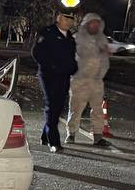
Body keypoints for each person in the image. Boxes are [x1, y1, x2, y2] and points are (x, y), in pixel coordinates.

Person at [31, 9, 78, 153]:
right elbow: (36, 53)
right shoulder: (47, 32)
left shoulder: (70, 37)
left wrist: (73, 68)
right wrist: (51, 67)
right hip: (48, 76)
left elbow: (71, 56)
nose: (69, 22)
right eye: (66, 18)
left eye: (71, 19)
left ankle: (45, 135)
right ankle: (54, 141)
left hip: (64, 76)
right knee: (51, 105)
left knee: (58, 108)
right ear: (58, 18)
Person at [66, 12, 111, 146]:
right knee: (76, 108)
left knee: (97, 109)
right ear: (86, 24)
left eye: (97, 23)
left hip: (96, 81)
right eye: (92, 23)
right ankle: (71, 134)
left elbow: (105, 61)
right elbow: (71, 58)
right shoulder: (76, 39)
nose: (95, 26)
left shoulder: (102, 40)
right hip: (79, 80)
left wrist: (100, 75)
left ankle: (98, 136)